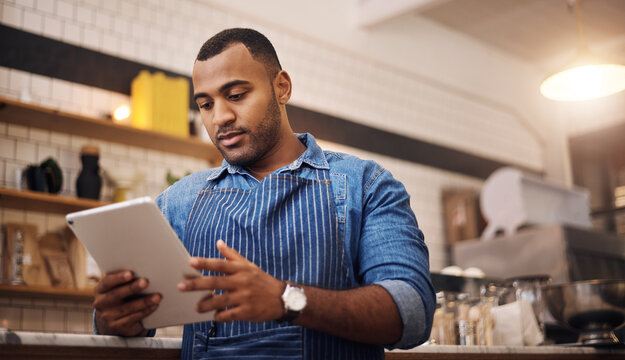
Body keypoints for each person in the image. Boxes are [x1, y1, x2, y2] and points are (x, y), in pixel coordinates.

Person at [92, 28, 435, 359]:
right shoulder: (178, 202)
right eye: (206, 104)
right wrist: (113, 319)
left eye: (236, 95)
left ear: (281, 87)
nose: (220, 117)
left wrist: (286, 299)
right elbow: (131, 326)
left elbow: (412, 311)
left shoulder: (365, 184)